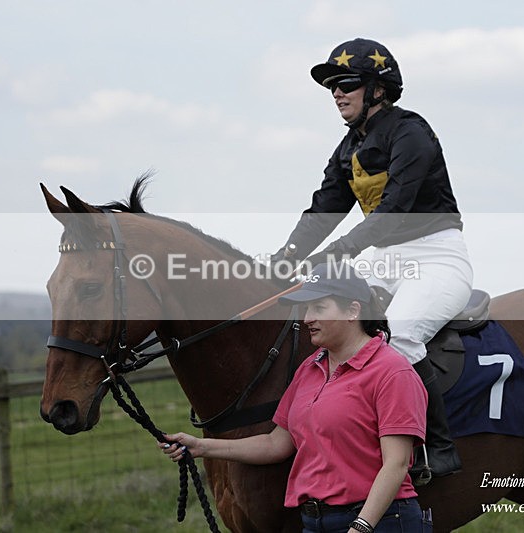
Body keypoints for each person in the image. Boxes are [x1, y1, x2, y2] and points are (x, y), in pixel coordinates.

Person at [270, 37, 473, 479]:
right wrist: (284, 258)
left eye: (346, 84)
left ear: (378, 89)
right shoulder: (348, 147)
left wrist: (337, 252)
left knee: (400, 335)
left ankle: (436, 448)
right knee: (333, 326)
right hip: (382, 258)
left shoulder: (411, 132)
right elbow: (323, 209)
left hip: (436, 257)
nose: (336, 93)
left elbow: (394, 208)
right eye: (332, 87)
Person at [161, 263, 429, 533]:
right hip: (315, 523)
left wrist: (360, 527)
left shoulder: (392, 372)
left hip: (380, 522)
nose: (307, 318)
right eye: (307, 308)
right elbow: (275, 443)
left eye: (319, 308)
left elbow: (396, 464)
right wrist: (201, 447)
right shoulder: (310, 369)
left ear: (353, 310)